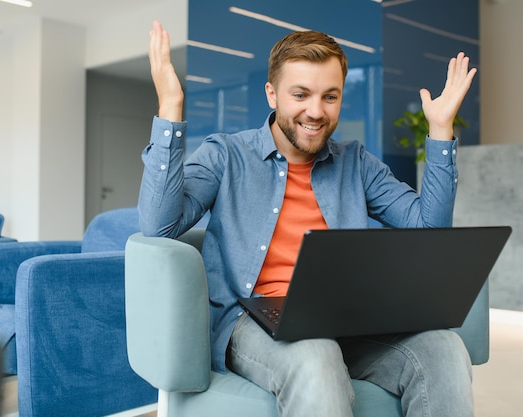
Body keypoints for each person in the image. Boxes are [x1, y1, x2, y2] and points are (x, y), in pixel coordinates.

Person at [140, 20, 477, 417]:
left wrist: (440, 129)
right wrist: (169, 106)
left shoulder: (357, 163)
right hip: (255, 321)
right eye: (300, 94)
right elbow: (160, 226)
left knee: (444, 347)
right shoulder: (226, 155)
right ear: (272, 94)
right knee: (315, 350)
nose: (315, 112)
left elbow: (430, 232)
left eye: (329, 97)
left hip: (347, 319)